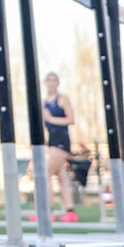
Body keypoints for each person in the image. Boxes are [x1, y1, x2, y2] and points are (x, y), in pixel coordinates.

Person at [40, 72, 79, 223]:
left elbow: (71, 119)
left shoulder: (62, 99)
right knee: (62, 177)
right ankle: (70, 212)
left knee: (45, 175)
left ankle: (47, 210)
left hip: (61, 142)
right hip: (52, 142)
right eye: (49, 80)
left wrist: (50, 118)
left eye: (54, 80)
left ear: (58, 82)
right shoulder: (44, 103)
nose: (52, 83)